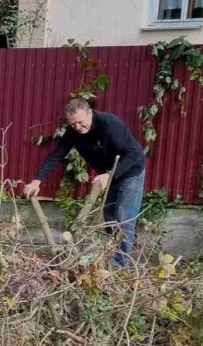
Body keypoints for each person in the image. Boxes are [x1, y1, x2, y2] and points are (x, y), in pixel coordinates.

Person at [24, 99, 147, 266]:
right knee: (110, 218)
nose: (78, 127)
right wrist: (37, 180)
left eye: (81, 122)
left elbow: (132, 153)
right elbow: (57, 154)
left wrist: (110, 174)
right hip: (108, 175)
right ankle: (115, 253)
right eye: (73, 123)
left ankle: (121, 266)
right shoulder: (73, 132)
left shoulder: (110, 124)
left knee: (123, 218)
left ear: (90, 113)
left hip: (131, 171)